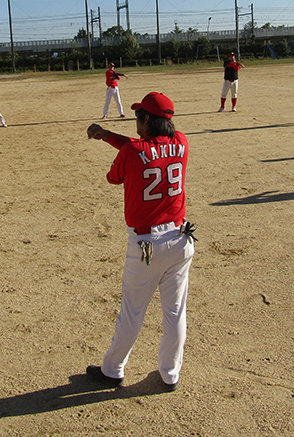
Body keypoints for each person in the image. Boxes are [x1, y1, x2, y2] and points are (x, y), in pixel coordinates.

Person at [85, 91, 196, 392]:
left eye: (138, 116)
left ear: (146, 119)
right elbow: (141, 148)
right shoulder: (182, 142)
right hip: (180, 238)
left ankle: (112, 370)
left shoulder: (133, 152)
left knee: (133, 311)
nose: (135, 119)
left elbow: (116, 174)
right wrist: (108, 135)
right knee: (175, 312)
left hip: (147, 245)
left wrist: (112, 141)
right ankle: (170, 374)